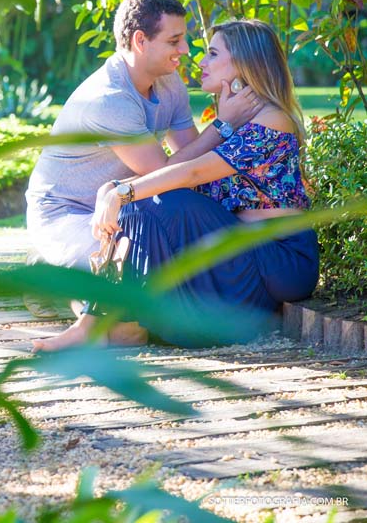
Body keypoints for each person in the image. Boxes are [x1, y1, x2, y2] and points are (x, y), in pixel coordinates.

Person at [32, 19, 319, 351]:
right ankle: (119, 324)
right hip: (239, 252)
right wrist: (112, 188)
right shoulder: (238, 121)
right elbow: (184, 175)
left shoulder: (271, 118)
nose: (200, 61)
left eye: (212, 54)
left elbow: (192, 174)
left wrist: (122, 192)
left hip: (278, 257)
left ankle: (99, 325)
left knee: (152, 202)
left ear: (244, 63)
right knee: (145, 205)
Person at [24, 0, 259, 318]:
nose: (185, 50)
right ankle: (56, 281)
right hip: (67, 213)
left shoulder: (168, 81)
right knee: (130, 276)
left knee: (165, 255)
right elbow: (161, 173)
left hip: (121, 203)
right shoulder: (109, 100)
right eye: (174, 41)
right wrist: (224, 124)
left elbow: (188, 157)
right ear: (140, 40)